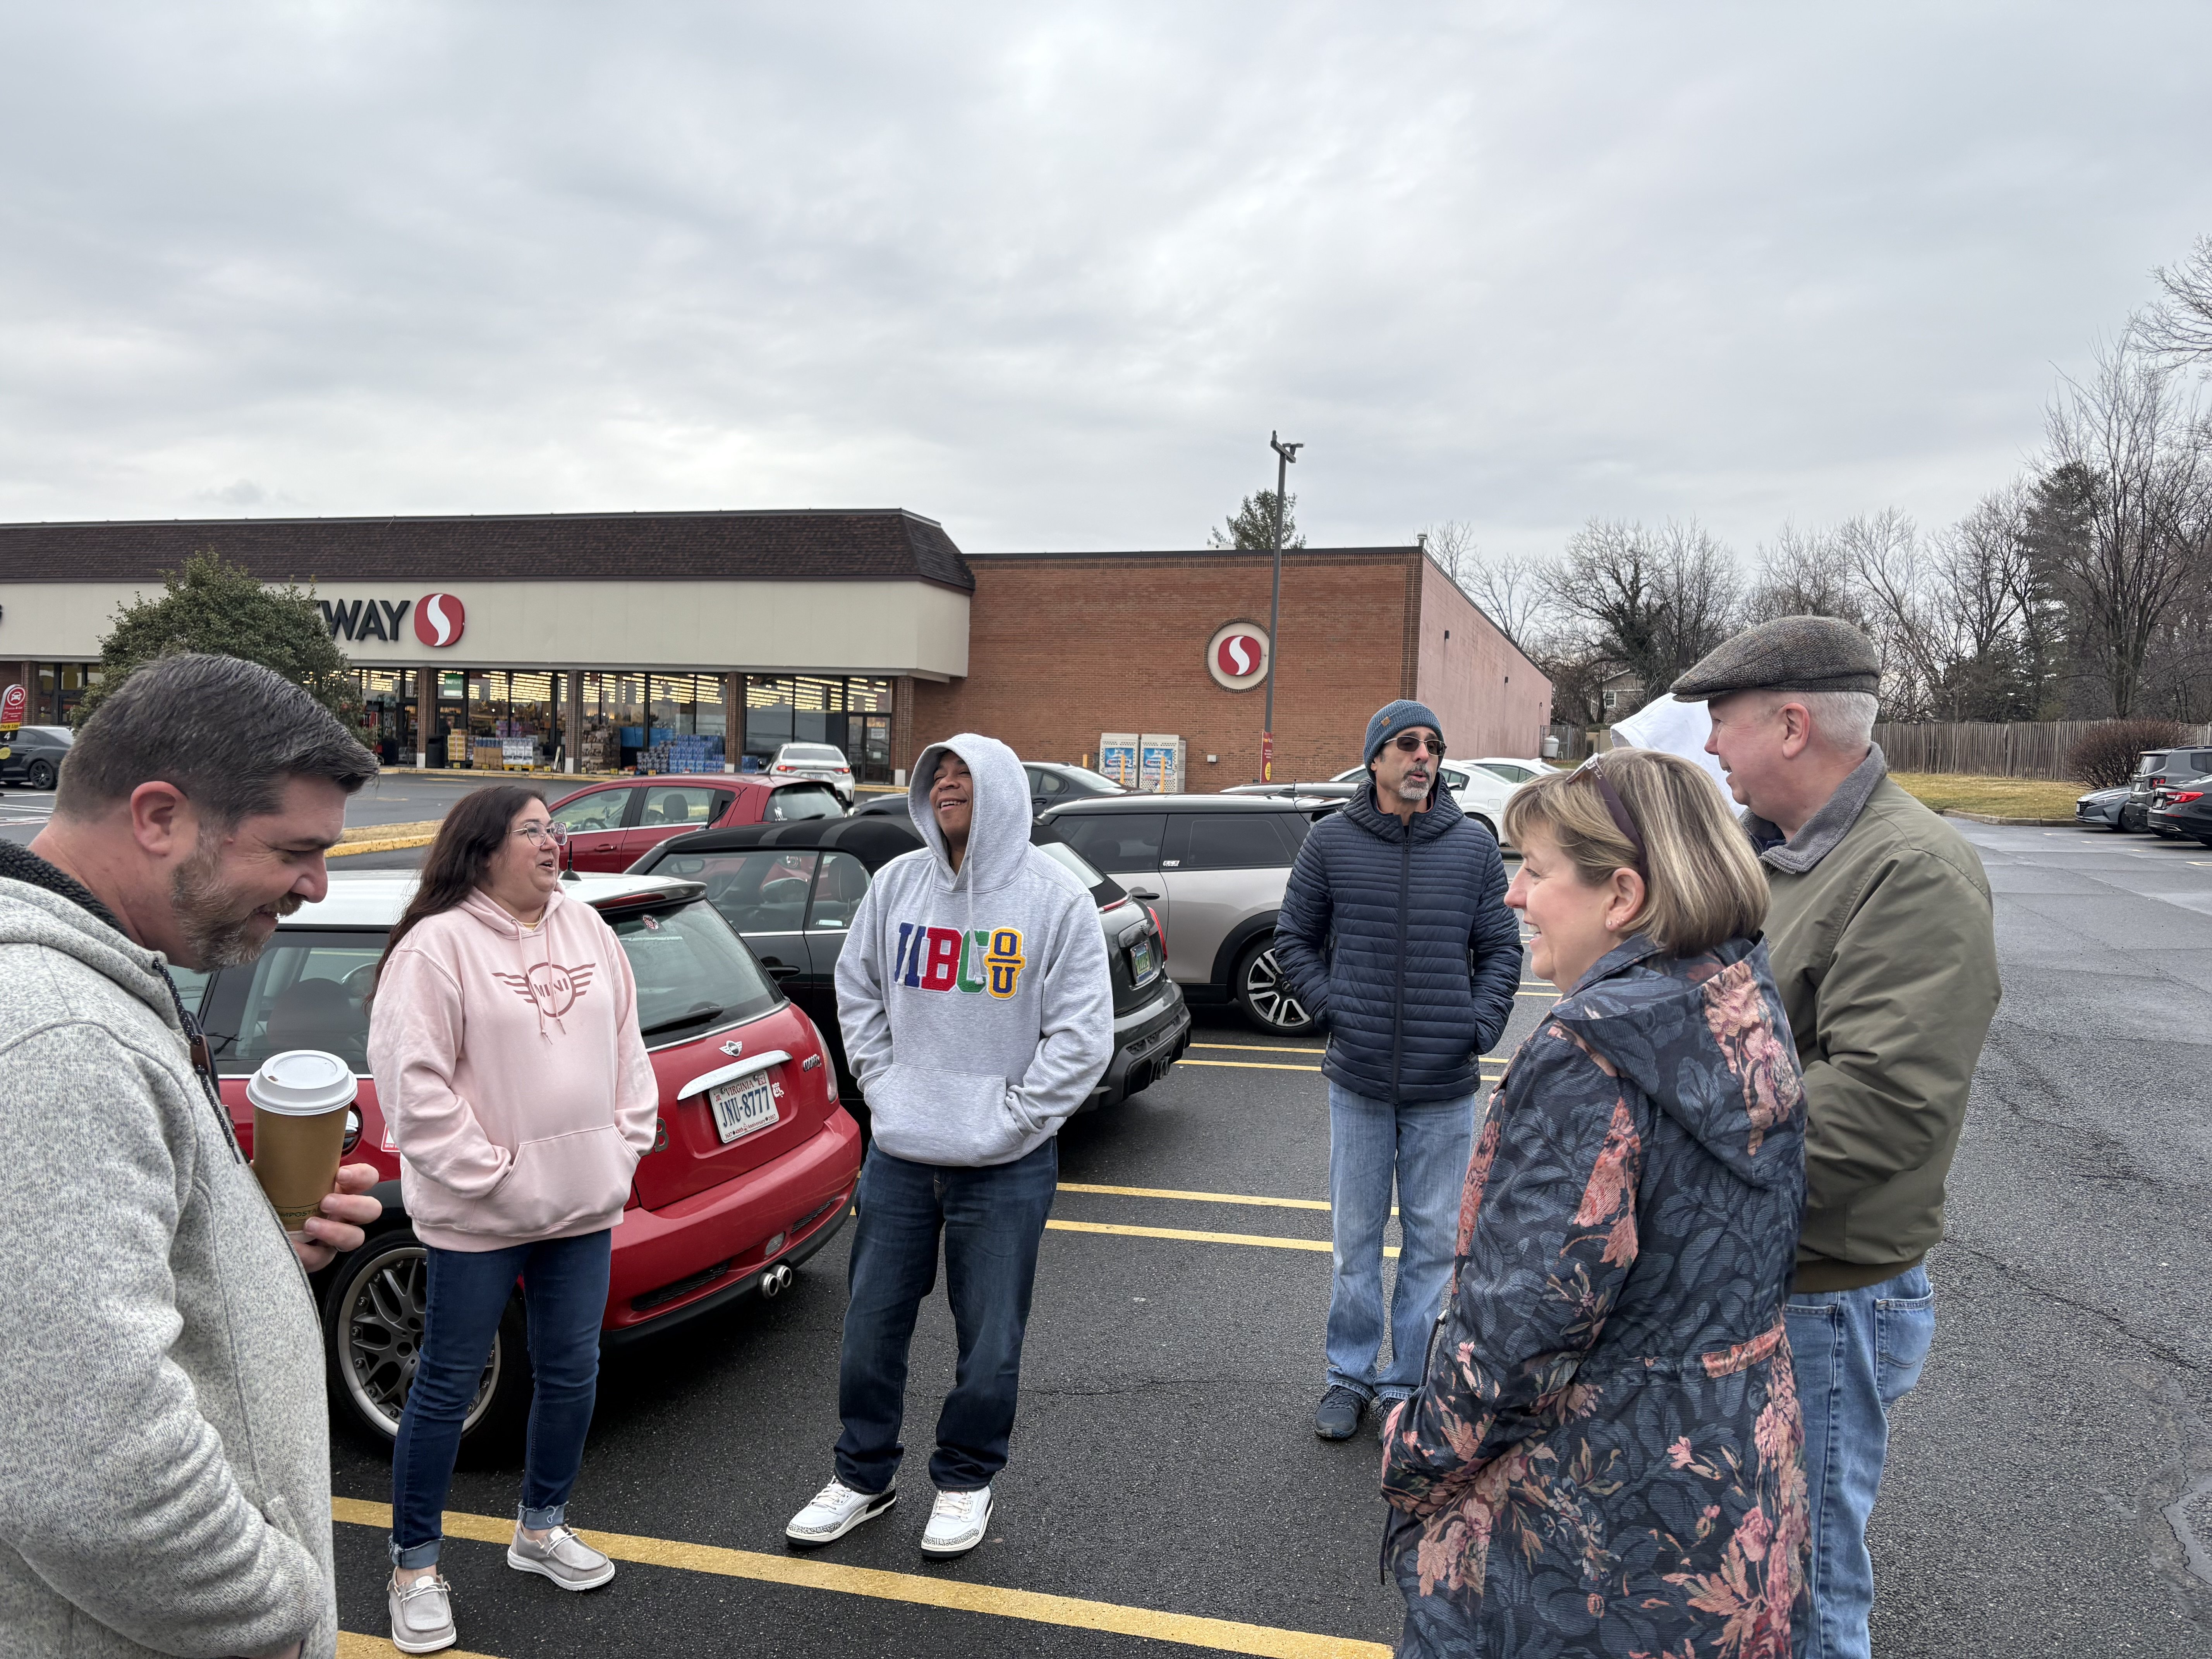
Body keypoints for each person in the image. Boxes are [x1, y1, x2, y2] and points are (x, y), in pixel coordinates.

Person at [1382, 747, 1810, 1657]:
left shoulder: (1591, 1056)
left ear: (1621, 896)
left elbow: (1517, 1338)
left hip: (1586, 1539)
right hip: (1733, 1495)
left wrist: (1413, 1456)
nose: (1514, 895)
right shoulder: (1736, 995)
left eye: (1536, 872)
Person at [0, 653, 384, 1659]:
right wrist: (279, 1614)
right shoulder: (60, 1038)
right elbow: (95, 1478)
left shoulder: (93, 997)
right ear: (160, 817)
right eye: (295, 850)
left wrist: (251, 1251)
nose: (316, 885)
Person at [1671, 616, 1999, 1659]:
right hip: (1766, 1273)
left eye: (1722, 721)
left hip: (1826, 1293)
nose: (1711, 745)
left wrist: (1674, 1185)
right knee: (1747, 1569)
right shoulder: (1776, 856)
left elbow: (1880, 1106)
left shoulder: (1911, 869)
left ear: (1792, 725)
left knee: (1805, 1590)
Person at [785, 735, 1112, 1559]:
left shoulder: (1054, 899)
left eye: (965, 775)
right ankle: (863, 1476)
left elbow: (1083, 1038)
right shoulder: (898, 884)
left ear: (1000, 789)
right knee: (870, 1330)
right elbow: (857, 987)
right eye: (938, 775)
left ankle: (966, 1481)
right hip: (901, 1154)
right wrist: (884, 1084)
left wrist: (1017, 1118)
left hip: (1006, 1165)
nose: (948, 786)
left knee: (990, 1342)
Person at [367, 786, 659, 1654]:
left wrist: (621, 1150)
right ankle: (414, 1568)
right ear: (484, 848)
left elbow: (628, 1050)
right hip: (478, 1217)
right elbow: (412, 1088)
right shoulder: (435, 947)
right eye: (532, 831)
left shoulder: (589, 929)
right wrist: (495, 1175)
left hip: (582, 1203)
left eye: (553, 829)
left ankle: (541, 1527)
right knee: (446, 1385)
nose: (551, 843)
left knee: (571, 1373)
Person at [1273, 699, 1520, 1439]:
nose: (1423, 757)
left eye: (1434, 747)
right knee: (1355, 1242)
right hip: (1359, 1080)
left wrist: (1478, 1027)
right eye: (1408, 744)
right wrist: (1335, 1009)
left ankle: (1407, 1384)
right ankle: (1348, 1376)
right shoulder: (1332, 841)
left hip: (1445, 1086)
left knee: (1433, 1245)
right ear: (1375, 758)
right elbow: (1294, 939)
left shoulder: (1473, 847)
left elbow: (1501, 949)